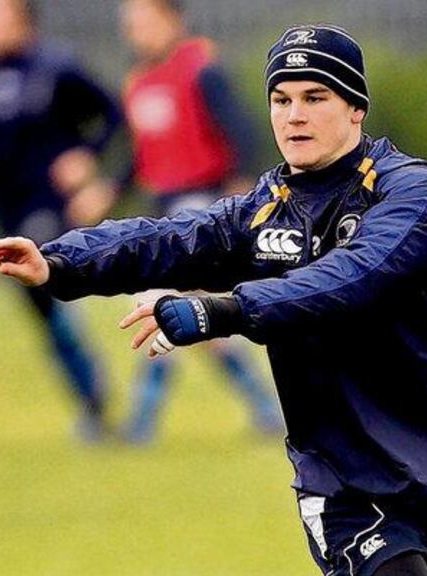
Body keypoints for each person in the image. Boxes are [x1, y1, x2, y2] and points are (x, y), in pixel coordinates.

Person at [0, 24, 427, 576]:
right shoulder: (264, 206)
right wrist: (59, 261)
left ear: (356, 108)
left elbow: (349, 278)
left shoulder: (415, 195)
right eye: (281, 99)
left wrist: (223, 310)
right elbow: (168, 239)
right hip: (346, 480)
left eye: (314, 97)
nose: (293, 115)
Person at [0, 0, 123, 440]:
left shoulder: (57, 69)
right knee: (41, 311)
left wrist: (87, 157)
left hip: (52, 206)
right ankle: (91, 395)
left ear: (25, 22)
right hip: (4, 208)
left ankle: (92, 381)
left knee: (45, 277)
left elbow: (113, 115)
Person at [116, 0, 281, 443]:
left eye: (146, 22)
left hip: (202, 206)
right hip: (163, 208)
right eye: (132, 24)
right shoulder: (139, 82)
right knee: (199, 318)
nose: (137, 32)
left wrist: (242, 192)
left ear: (173, 20)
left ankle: (141, 423)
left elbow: (240, 129)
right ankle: (267, 411)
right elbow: (141, 154)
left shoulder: (201, 69)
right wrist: (107, 192)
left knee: (159, 306)